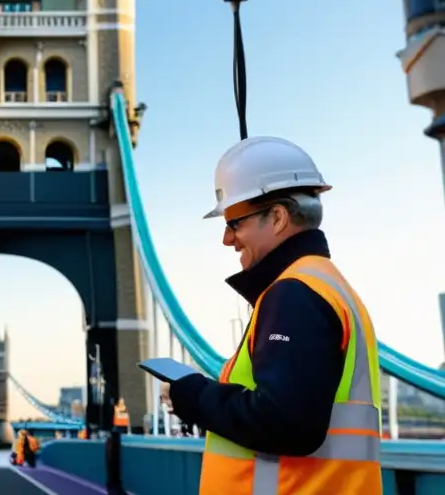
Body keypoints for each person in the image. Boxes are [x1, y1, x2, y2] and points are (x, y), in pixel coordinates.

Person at [161, 136, 382, 494]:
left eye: (235, 223)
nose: (227, 239)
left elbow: (284, 422)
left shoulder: (296, 293)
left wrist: (194, 396)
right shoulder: (326, 284)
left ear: (277, 217)